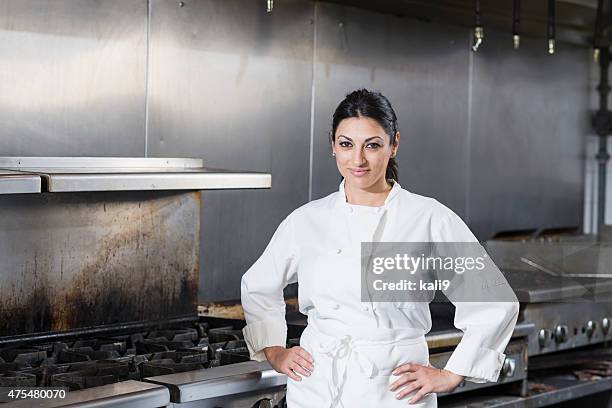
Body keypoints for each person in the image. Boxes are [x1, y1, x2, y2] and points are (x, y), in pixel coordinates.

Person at [240, 89, 519, 407]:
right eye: (346, 144)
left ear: (394, 144)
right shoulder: (306, 220)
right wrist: (274, 350)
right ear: (333, 144)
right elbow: (258, 286)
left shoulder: (428, 218)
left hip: (395, 392)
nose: (357, 160)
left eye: (372, 145)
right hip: (316, 388)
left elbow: (493, 300)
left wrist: (454, 372)